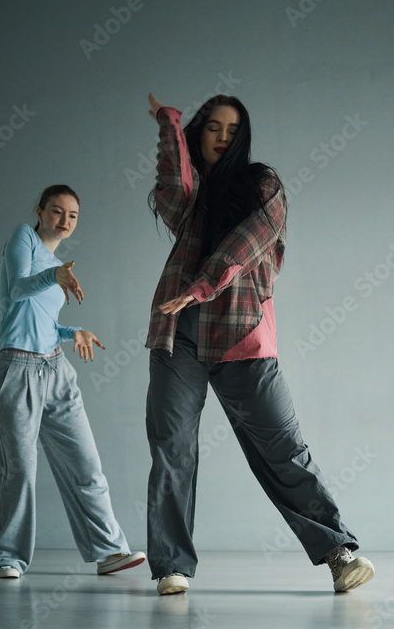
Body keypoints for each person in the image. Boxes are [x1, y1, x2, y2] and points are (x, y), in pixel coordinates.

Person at [143, 93, 374, 596]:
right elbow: (171, 191)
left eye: (231, 129)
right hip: (178, 335)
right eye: (212, 128)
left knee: (283, 449)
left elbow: (246, 243)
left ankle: (338, 552)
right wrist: (169, 126)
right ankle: (172, 566)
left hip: (242, 333)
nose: (222, 137)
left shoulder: (262, 184)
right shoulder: (193, 196)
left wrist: (200, 287)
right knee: (172, 450)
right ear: (199, 134)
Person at [0, 184, 145, 579]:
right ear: (39, 211)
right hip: (18, 367)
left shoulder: (57, 265)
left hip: (56, 369)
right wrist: (54, 275)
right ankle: (7, 556)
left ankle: (109, 551)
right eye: (57, 211)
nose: (64, 220)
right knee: (19, 469)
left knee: (85, 464)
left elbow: (41, 321)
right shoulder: (23, 237)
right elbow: (18, 290)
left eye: (72, 215)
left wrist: (72, 330)